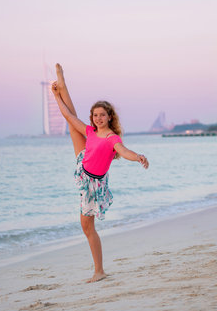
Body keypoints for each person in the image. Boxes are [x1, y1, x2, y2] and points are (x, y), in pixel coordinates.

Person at [52, 64, 149, 283]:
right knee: (71, 121)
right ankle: (64, 85)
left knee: (87, 227)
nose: (98, 118)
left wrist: (138, 157)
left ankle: (99, 271)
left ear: (109, 117)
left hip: (93, 184)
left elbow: (124, 151)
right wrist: (57, 94)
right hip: (82, 163)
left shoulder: (112, 138)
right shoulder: (90, 131)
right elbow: (67, 114)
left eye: (102, 115)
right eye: (95, 115)